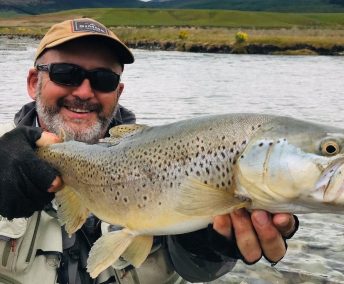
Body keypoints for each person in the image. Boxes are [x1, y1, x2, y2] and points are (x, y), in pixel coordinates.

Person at [0, 18, 299, 284]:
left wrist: (206, 247)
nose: (84, 92)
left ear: (118, 93)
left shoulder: (173, 159)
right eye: (66, 74)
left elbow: (196, 273)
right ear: (33, 82)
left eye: (104, 79)